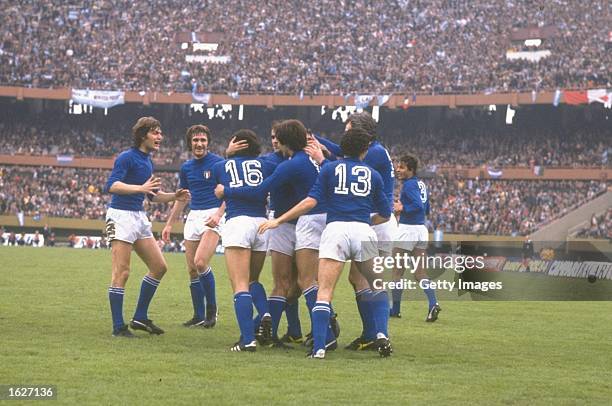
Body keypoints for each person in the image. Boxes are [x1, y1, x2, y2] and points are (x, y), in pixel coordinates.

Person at [259, 128, 393, 359]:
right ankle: (381, 334)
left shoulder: (329, 168)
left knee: (324, 290)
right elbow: (386, 213)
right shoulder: (373, 174)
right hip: (363, 230)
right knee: (376, 285)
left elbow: (311, 201)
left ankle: (320, 347)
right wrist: (365, 221)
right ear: (365, 150)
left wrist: (279, 220)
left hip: (336, 230)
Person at [220, 120, 337, 349]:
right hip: (304, 221)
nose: (274, 141)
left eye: (277, 137)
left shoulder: (290, 164)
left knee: (304, 281)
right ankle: (278, 330)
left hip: (304, 220)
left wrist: (227, 189)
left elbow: (259, 188)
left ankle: (326, 332)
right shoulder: (304, 159)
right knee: (285, 283)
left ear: (284, 141)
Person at [314, 112, 396, 351]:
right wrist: (316, 139)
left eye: (348, 131)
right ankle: (374, 333)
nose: (344, 135)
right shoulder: (376, 150)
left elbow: (346, 169)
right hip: (371, 220)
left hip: (375, 222)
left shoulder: (375, 153)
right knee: (359, 279)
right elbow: (345, 154)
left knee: (368, 281)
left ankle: (376, 333)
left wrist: (322, 158)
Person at [104, 116, 190, 338]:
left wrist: (174, 195)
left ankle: (140, 317)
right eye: (155, 132)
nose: (160, 137)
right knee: (121, 273)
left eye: (160, 133)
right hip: (120, 216)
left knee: (159, 266)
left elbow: (152, 196)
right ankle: (118, 327)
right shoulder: (126, 157)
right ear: (143, 135)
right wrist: (139, 188)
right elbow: (111, 185)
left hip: (138, 217)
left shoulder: (148, 161)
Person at [212, 129, 276, 352]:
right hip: (261, 223)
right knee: (253, 280)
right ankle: (265, 311)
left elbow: (220, 187)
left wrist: (227, 155)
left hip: (238, 222)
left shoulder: (221, 165)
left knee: (240, 285)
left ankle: (247, 339)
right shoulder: (267, 164)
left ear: (234, 144)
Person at [162, 125, 224, 328]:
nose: (199, 144)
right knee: (191, 270)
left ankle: (212, 310)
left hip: (212, 215)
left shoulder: (218, 163)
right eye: (196, 140)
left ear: (208, 143)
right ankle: (198, 315)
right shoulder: (186, 168)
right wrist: (170, 224)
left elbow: (229, 192)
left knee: (200, 263)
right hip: (194, 216)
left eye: (203, 140)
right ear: (190, 143)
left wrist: (218, 214)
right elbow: (182, 198)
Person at [391, 154, 440, 321]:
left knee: (397, 271)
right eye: (398, 166)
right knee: (420, 272)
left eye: (402, 167)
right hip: (421, 229)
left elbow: (417, 206)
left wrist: (401, 208)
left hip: (408, 229)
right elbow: (426, 208)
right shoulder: (421, 184)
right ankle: (433, 304)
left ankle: (395, 309)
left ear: (410, 170)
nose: (398, 169)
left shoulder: (409, 185)